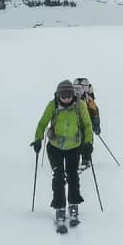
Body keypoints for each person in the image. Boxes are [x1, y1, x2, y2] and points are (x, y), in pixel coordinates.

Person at [31, 80, 94, 230]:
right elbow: (42, 123)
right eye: (63, 96)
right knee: (58, 175)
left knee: (72, 175)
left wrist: (88, 143)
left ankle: (73, 204)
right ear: (58, 95)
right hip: (55, 147)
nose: (66, 99)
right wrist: (38, 139)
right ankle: (59, 207)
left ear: (73, 94)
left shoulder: (80, 106)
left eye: (68, 96)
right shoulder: (52, 105)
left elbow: (87, 125)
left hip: (74, 147)